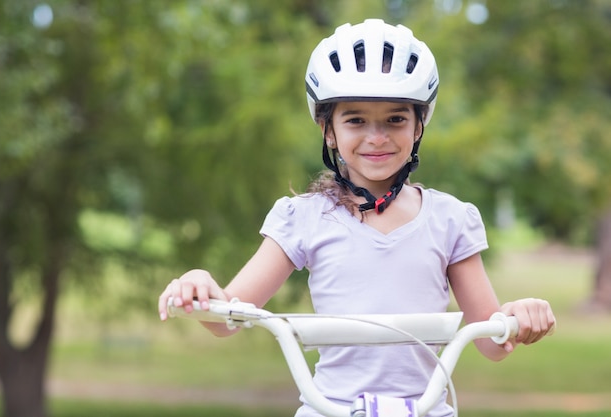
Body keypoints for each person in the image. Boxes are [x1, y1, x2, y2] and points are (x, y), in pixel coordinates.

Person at [157, 19, 556, 417]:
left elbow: (490, 340)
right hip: (329, 410)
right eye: (356, 120)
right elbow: (228, 317)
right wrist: (200, 287)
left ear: (419, 126)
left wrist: (518, 316)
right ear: (327, 129)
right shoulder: (304, 218)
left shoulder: (450, 219)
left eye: (395, 119)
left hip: (426, 409)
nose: (377, 137)